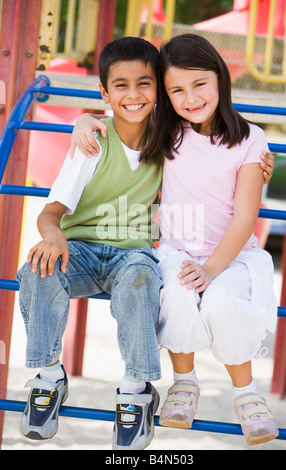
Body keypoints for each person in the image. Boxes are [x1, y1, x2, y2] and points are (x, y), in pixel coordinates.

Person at [70, 34, 278, 447]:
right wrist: (86, 119)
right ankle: (185, 382)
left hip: (231, 256)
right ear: (165, 97)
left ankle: (246, 395)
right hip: (177, 248)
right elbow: (122, 122)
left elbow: (245, 217)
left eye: (199, 84)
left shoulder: (250, 140)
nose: (190, 98)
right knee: (176, 296)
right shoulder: (166, 131)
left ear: (219, 78)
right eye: (176, 90)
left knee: (222, 302)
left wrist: (212, 269)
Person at [16, 36, 164, 451]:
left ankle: (135, 391)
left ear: (158, 88)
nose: (133, 94)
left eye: (144, 83)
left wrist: (255, 161)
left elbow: (217, 146)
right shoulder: (92, 142)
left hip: (132, 254)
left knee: (140, 277)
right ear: (105, 93)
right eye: (121, 85)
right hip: (79, 249)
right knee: (35, 269)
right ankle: (49, 378)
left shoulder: (170, 141)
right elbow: (50, 213)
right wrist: (53, 236)